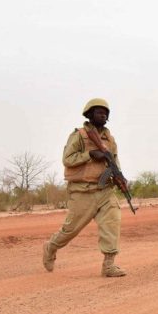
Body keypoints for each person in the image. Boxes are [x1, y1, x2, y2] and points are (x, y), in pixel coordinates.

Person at [42, 98, 126, 278]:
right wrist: (90, 154)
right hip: (82, 191)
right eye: (98, 112)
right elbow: (67, 159)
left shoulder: (110, 139)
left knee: (112, 224)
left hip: (105, 191)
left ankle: (109, 265)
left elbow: (114, 160)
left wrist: (120, 176)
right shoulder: (79, 135)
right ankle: (51, 247)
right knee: (70, 230)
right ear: (89, 115)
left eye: (105, 113)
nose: (102, 115)